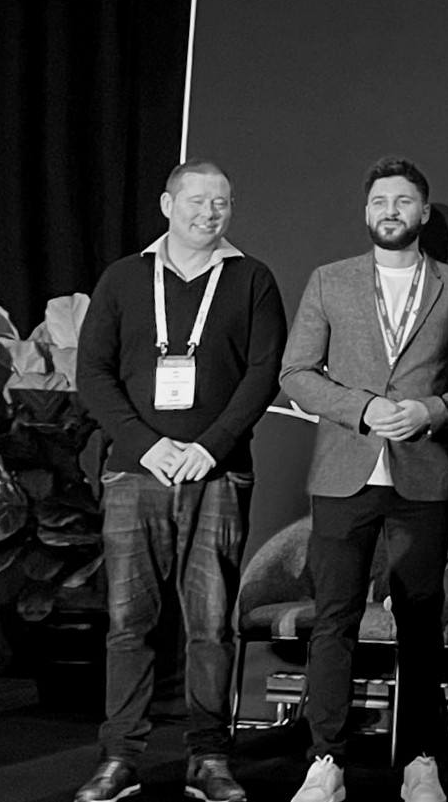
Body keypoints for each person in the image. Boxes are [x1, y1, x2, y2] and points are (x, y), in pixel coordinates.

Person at [73, 159, 287, 802]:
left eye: (221, 202)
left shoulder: (252, 279)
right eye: (196, 200)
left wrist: (209, 447)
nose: (209, 213)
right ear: (168, 205)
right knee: (127, 624)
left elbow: (263, 373)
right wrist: (148, 446)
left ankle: (209, 758)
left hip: (216, 477)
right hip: (133, 474)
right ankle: (119, 759)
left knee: (211, 626)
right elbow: (93, 374)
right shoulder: (123, 278)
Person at [278, 157, 448, 802]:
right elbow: (296, 373)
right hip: (345, 471)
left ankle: (421, 759)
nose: (391, 211)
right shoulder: (329, 280)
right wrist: (361, 408)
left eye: (403, 201)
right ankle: (326, 762)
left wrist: (431, 411)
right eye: (380, 202)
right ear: (366, 212)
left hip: (423, 474)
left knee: (420, 621)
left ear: (424, 212)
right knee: (334, 618)